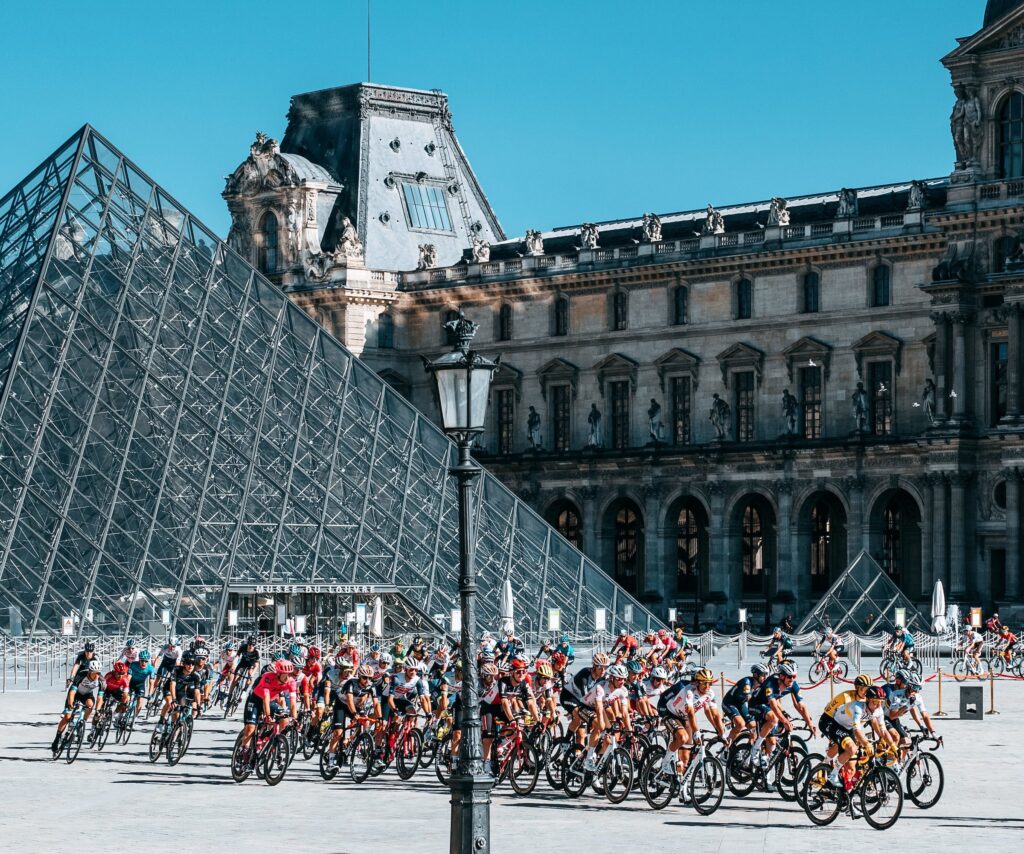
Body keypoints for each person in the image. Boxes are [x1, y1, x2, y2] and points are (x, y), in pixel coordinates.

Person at [820, 681, 895, 787]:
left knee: (852, 765)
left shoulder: (878, 710)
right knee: (852, 748)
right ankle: (833, 774)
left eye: (881, 702)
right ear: (868, 700)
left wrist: (893, 746)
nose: (878, 706)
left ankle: (846, 787)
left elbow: (883, 731)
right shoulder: (858, 708)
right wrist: (866, 744)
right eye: (875, 702)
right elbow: (857, 731)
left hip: (848, 728)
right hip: (836, 725)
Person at [655, 667, 725, 779]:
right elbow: (691, 713)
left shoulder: (710, 693)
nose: (707, 687)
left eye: (710, 683)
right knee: (682, 737)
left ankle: (681, 785)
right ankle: (666, 762)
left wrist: (722, 733)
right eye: (704, 683)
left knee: (685, 758)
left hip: (684, 716)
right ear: (697, 683)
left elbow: (715, 714)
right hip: (670, 713)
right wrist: (696, 731)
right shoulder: (689, 691)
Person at [747, 661, 816, 772]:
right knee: (774, 718)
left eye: (794, 676)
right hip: (756, 704)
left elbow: (801, 706)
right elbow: (773, 705)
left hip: (768, 707)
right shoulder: (771, 682)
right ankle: (755, 747)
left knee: (773, 742)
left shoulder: (793, 684)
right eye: (789, 676)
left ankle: (765, 768)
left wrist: (810, 722)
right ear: (782, 676)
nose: (792, 679)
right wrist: (784, 721)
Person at [324, 664, 380, 770]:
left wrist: (380, 718)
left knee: (365, 722)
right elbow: (349, 700)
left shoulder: (371, 686)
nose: (367, 680)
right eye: (364, 678)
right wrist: (355, 714)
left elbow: (376, 703)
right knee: (338, 733)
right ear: (359, 676)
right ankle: (331, 762)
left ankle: (351, 741)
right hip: (341, 704)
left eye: (369, 678)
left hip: (354, 706)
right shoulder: (351, 683)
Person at [582, 663, 633, 772]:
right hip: (587, 706)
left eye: (624, 679)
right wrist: (602, 726)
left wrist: (630, 731)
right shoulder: (601, 688)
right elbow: (599, 709)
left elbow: (624, 713)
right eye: (619, 679)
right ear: (612, 678)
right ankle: (589, 758)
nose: (622, 681)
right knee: (599, 725)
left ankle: (598, 757)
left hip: (603, 707)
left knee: (610, 737)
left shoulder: (623, 690)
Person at [239, 660, 297, 751]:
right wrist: (268, 715)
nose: (288, 677)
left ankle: (273, 741)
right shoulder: (268, 677)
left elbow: (293, 702)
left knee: (285, 719)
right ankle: (244, 752)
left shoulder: (291, 682)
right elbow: (266, 697)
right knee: (250, 728)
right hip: (256, 699)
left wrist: (294, 718)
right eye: (285, 674)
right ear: (278, 674)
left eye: (290, 674)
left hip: (271, 701)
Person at [52, 659, 103, 754]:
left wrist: (98, 710)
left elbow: (100, 698)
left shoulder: (101, 680)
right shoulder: (81, 675)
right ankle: (57, 738)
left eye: (98, 673)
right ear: (90, 671)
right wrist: (70, 704)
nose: (97, 675)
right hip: (75, 694)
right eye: (95, 673)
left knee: (90, 705)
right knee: (67, 717)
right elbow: (72, 692)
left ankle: (82, 722)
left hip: (87, 695)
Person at [883, 670, 937, 759]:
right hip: (883, 717)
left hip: (894, 718)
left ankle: (900, 765)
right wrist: (908, 705)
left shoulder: (914, 696)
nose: (917, 691)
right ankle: (888, 766)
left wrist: (923, 727)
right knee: (895, 736)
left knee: (906, 742)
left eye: (920, 688)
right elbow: (893, 715)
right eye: (916, 688)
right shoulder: (891, 692)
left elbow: (918, 711)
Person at [722, 662, 769, 744]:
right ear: (756, 675)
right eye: (763, 675)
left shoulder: (761, 685)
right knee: (740, 724)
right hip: (730, 703)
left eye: (766, 675)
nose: (765, 677)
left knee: (753, 726)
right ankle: (726, 748)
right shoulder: (746, 682)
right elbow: (749, 700)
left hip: (741, 703)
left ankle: (747, 750)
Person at [128, 650, 156, 716]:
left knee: (140, 701)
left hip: (140, 685)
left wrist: (150, 695)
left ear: (148, 661)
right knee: (126, 699)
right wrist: (125, 689)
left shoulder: (151, 669)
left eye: (146, 661)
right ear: (139, 660)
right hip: (131, 683)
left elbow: (151, 683)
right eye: (142, 661)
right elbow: (128, 678)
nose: (143, 663)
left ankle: (134, 717)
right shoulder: (133, 664)